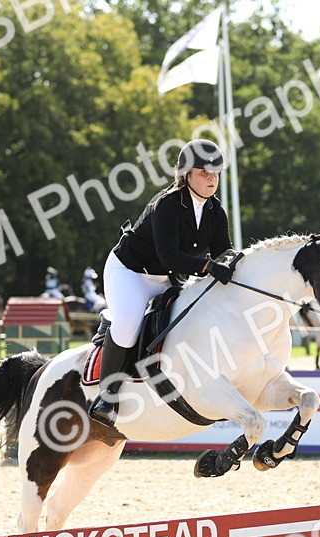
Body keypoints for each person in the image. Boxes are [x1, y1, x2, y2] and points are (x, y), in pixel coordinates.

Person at [88, 139, 234, 426]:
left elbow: (224, 252)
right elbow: (169, 255)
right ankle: (107, 396)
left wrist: (236, 264)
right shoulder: (167, 204)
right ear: (185, 175)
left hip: (168, 278)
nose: (212, 178)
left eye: (215, 173)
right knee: (130, 322)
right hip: (130, 272)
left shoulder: (215, 211)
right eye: (204, 172)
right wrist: (207, 266)